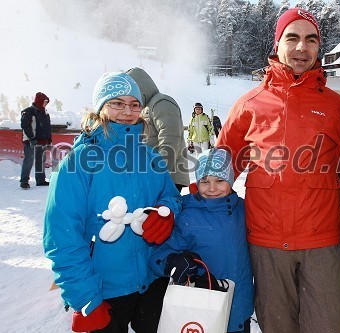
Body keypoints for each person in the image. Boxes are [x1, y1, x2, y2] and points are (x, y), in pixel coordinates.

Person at [216, 8, 340, 332]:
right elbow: (221, 168)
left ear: (319, 47)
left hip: (322, 242)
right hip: (267, 243)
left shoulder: (335, 106)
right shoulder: (250, 103)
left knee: (328, 327)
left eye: (311, 39)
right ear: (277, 44)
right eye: (292, 38)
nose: (302, 48)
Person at [43, 72, 182, 333]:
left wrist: (167, 213)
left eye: (134, 104)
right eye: (117, 103)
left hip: (151, 281)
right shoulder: (77, 163)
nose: (127, 111)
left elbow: (170, 196)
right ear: (100, 108)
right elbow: (62, 239)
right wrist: (86, 300)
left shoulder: (150, 157)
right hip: (102, 290)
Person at [150, 148, 254, 333]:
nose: (212, 188)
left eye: (220, 181)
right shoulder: (188, 216)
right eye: (205, 182)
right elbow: (158, 255)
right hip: (203, 310)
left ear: (230, 180)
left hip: (240, 310)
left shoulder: (243, 210)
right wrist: (173, 262)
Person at [126, 67, 189, 191]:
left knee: (163, 209)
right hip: (154, 174)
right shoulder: (146, 108)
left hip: (168, 176)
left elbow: (170, 138)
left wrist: (160, 172)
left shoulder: (161, 102)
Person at [20, 91, 52, 188]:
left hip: (42, 141)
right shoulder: (29, 111)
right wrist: (31, 138)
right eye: (44, 101)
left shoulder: (45, 113)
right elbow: (25, 125)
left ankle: (40, 180)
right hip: (31, 141)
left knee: (40, 161)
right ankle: (24, 181)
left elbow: (47, 128)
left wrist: (49, 140)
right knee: (28, 161)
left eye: (46, 102)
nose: (45, 104)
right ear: (39, 101)